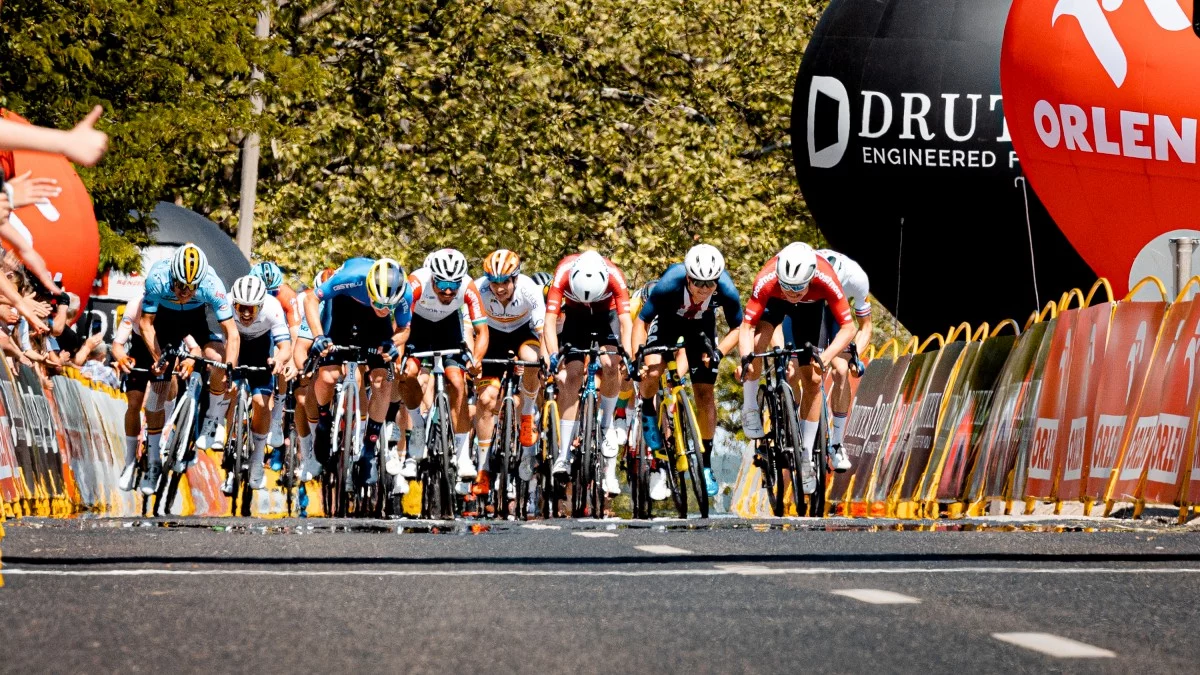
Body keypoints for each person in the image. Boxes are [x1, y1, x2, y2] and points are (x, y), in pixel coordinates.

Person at [738, 242, 856, 496]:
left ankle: (806, 458)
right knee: (756, 345)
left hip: (810, 309)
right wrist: (746, 359)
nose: (792, 292)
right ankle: (749, 407)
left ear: (811, 277)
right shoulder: (767, 279)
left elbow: (849, 328)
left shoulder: (826, 278)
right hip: (774, 302)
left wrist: (826, 356)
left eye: (797, 287)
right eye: (787, 286)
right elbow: (746, 327)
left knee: (813, 379)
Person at [634, 244, 742, 500]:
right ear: (688, 278)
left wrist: (719, 352)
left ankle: (705, 465)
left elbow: (739, 327)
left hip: (700, 330)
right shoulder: (670, 282)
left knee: (705, 393)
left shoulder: (726, 289)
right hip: (667, 324)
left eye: (710, 284)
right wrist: (637, 355)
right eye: (698, 283)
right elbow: (642, 321)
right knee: (652, 371)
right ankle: (647, 408)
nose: (704, 289)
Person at [303, 257, 410, 488]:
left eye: (389, 307)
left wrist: (393, 343)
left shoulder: (403, 293)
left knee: (383, 381)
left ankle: (369, 450)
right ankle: (324, 420)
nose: (384, 310)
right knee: (328, 375)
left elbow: (404, 328)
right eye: (380, 304)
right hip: (343, 309)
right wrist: (319, 336)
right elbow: (311, 299)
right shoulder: (350, 278)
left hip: (376, 327)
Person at [543, 250, 632, 496]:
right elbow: (549, 322)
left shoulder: (615, 275)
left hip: (607, 316)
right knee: (572, 375)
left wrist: (628, 355)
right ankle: (563, 455)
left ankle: (607, 423)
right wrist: (554, 355)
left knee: (611, 364)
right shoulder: (563, 272)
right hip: (576, 318)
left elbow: (626, 322)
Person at [398, 249, 488, 483]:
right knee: (408, 373)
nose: (448, 291)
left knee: (457, 383)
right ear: (432, 278)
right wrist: (398, 357)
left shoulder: (468, 286)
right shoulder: (416, 283)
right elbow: (400, 324)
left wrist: (476, 360)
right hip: (417, 328)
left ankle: (463, 455)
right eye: (442, 284)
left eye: (453, 285)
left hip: (448, 329)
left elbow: (482, 330)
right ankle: (418, 426)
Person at [472, 249, 546, 490]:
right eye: (494, 283)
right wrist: (473, 359)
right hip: (491, 337)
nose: (499, 288)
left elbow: (543, 331)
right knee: (486, 400)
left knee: (532, 359)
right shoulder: (478, 289)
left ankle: (527, 415)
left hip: (522, 333)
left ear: (515, 278)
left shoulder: (529, 289)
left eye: (505, 282)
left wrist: (546, 360)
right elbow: (469, 329)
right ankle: (482, 468)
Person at [222, 275, 295, 492]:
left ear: (260, 306)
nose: (245, 314)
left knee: (262, 403)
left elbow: (285, 347)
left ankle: (256, 461)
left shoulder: (272, 308)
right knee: (231, 392)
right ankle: (229, 443)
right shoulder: (225, 302)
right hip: (235, 349)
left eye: (251, 309)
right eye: (241, 308)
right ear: (234, 302)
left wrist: (278, 360)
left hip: (261, 353)